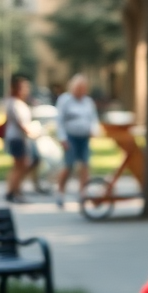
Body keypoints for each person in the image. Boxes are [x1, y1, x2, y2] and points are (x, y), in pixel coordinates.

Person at [54, 74, 99, 209]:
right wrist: (62, 138)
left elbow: (93, 119)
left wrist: (94, 130)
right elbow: (59, 121)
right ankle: (60, 192)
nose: (81, 91)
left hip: (84, 137)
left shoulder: (88, 101)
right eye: (78, 88)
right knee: (68, 165)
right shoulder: (65, 100)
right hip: (70, 137)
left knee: (85, 165)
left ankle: (83, 192)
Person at [4, 75, 40, 204]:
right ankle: (14, 191)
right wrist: (31, 133)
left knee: (21, 166)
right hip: (16, 138)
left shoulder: (20, 103)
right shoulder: (13, 103)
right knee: (21, 166)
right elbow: (20, 123)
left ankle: (14, 190)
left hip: (21, 138)